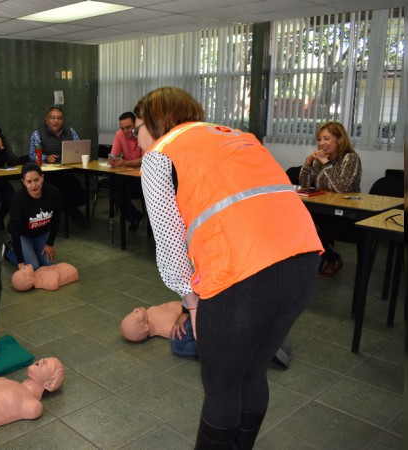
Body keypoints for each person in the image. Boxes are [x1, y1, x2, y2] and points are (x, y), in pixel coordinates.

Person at [135, 87, 322, 449]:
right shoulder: (237, 137)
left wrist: (192, 305)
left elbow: (171, 253)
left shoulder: (160, 156)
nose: (135, 137)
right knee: (252, 373)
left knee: (221, 386)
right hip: (302, 264)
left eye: (136, 127)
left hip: (244, 278)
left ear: (155, 123)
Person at [299, 121, 363, 276]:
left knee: (318, 238)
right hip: (324, 209)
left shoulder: (350, 159)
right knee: (297, 226)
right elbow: (305, 185)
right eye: (319, 139)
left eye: (326, 139)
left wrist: (326, 164)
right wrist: (307, 164)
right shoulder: (319, 159)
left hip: (346, 213)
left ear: (339, 140)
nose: (322, 143)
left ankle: (333, 258)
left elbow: (342, 188)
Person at [28, 106, 90, 228]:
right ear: (47, 120)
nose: (56, 121)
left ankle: (71, 211)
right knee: (62, 190)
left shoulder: (70, 131)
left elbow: (80, 147)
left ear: (63, 120)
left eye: (59, 118)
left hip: (65, 170)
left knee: (81, 195)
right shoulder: (37, 133)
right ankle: (76, 215)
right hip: (47, 175)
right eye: (53, 118)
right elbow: (32, 155)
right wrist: (46, 157)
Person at [3, 163, 63, 270]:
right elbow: (15, 230)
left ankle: (32, 251)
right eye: (29, 182)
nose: (34, 185)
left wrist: (49, 243)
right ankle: (9, 251)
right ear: (23, 182)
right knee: (33, 266)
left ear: (42, 178)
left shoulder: (53, 193)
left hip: (41, 232)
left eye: (36, 180)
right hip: (22, 235)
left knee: (48, 264)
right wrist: (20, 262)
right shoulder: (18, 199)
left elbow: (56, 219)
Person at [108, 111, 145, 230]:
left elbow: (144, 159)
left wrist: (125, 163)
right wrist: (112, 159)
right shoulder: (120, 135)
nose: (125, 131)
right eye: (122, 128)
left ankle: (135, 217)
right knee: (116, 190)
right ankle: (135, 216)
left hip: (143, 177)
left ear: (136, 124)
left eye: (128, 127)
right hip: (129, 175)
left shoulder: (144, 135)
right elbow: (114, 153)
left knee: (120, 190)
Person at [120, 302, 197, 356]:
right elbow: (181, 327)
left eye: (131, 313)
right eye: (135, 314)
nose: (135, 309)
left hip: (190, 304)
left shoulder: (149, 313)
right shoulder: (165, 327)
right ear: (145, 327)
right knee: (176, 345)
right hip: (193, 309)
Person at [11, 262, 79, 291]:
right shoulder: (44, 280)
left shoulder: (37, 274)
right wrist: (53, 272)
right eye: (24, 272)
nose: (23, 267)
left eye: (19, 270)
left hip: (65, 267)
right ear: (31, 280)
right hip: (71, 270)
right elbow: (54, 285)